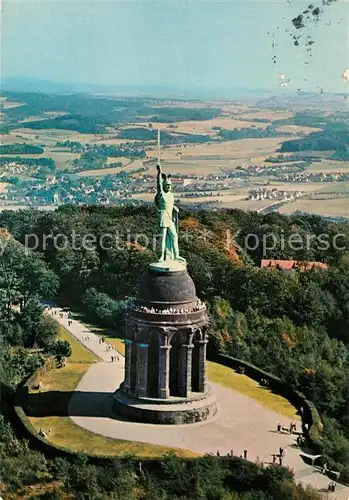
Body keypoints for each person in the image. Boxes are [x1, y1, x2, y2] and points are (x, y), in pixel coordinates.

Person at [155, 164, 185, 263]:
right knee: (163, 237)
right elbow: (158, 184)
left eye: (169, 185)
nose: (168, 187)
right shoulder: (161, 194)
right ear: (164, 185)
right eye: (167, 185)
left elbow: (170, 205)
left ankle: (176, 255)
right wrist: (159, 172)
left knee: (174, 236)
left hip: (170, 218)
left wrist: (174, 207)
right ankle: (161, 256)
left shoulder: (171, 195)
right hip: (164, 217)